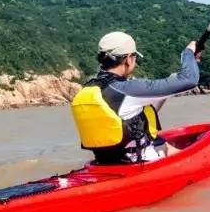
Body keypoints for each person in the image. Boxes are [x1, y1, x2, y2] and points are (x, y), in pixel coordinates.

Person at [69, 31, 201, 164]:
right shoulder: (129, 89)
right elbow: (190, 80)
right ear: (128, 59)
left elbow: (131, 117)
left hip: (104, 164)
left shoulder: (90, 89)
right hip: (138, 165)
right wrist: (188, 53)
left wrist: (166, 90)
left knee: (161, 143)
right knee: (178, 152)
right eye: (134, 57)